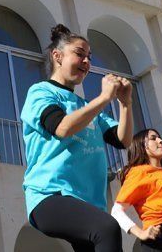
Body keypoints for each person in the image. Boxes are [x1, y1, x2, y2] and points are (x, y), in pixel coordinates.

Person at [21, 24, 134, 252]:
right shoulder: (41, 92)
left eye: (89, 57)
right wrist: (103, 97)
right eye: (79, 54)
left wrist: (125, 104)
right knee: (107, 228)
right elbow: (61, 127)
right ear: (57, 56)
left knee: (100, 236)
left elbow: (123, 140)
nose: (86, 62)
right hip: (50, 196)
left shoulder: (86, 107)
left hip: (88, 203)